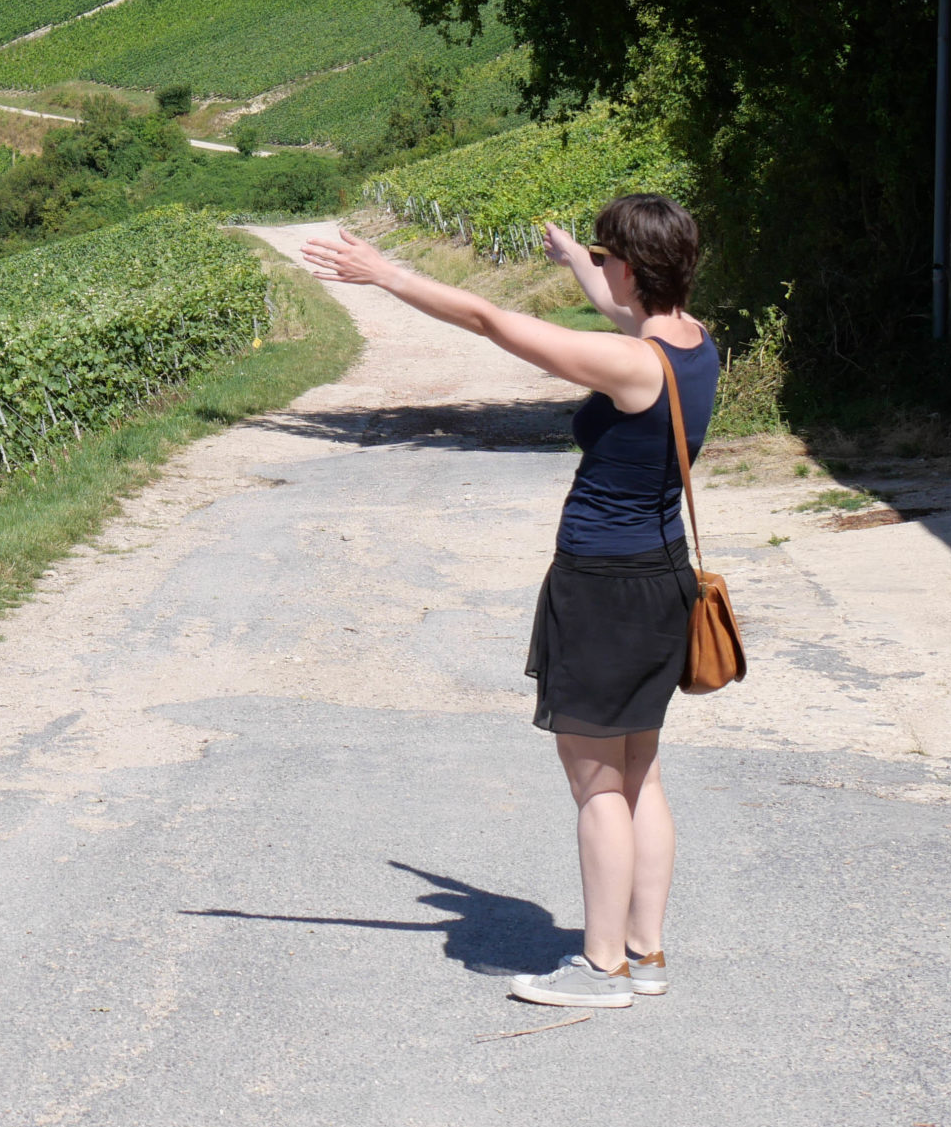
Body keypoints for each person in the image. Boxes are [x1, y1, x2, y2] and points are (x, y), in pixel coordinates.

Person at [299, 194, 716, 1009]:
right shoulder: (692, 344)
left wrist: (385, 274)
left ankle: (601, 970)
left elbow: (491, 322)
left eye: (607, 259)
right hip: (663, 576)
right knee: (642, 776)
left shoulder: (630, 364)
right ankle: (646, 950)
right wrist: (575, 258)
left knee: (597, 783)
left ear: (630, 268)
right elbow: (625, 308)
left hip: (603, 588)